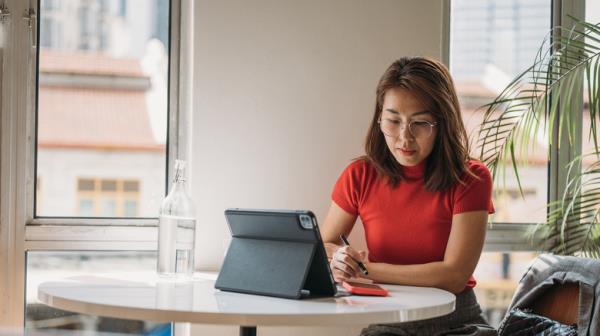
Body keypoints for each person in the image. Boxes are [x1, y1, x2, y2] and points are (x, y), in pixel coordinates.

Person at [321, 57, 497, 336]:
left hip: (457, 322)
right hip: (389, 320)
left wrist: (366, 270)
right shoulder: (360, 175)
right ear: (379, 119)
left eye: (420, 123)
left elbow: (453, 276)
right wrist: (340, 258)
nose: (404, 138)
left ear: (443, 123)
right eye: (393, 120)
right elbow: (323, 245)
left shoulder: (472, 178)